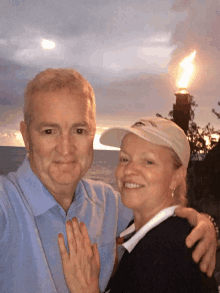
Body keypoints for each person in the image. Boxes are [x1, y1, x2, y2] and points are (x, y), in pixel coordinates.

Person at [0, 68, 217, 293]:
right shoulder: (6, 207)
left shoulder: (107, 203)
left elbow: (157, 212)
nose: (65, 149)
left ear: (92, 134)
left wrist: (203, 224)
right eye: (48, 131)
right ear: (26, 136)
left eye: (79, 130)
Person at [59, 117, 218, 293]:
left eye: (148, 161)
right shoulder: (144, 232)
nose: (128, 170)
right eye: (125, 159)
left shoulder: (167, 254)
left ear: (176, 177)